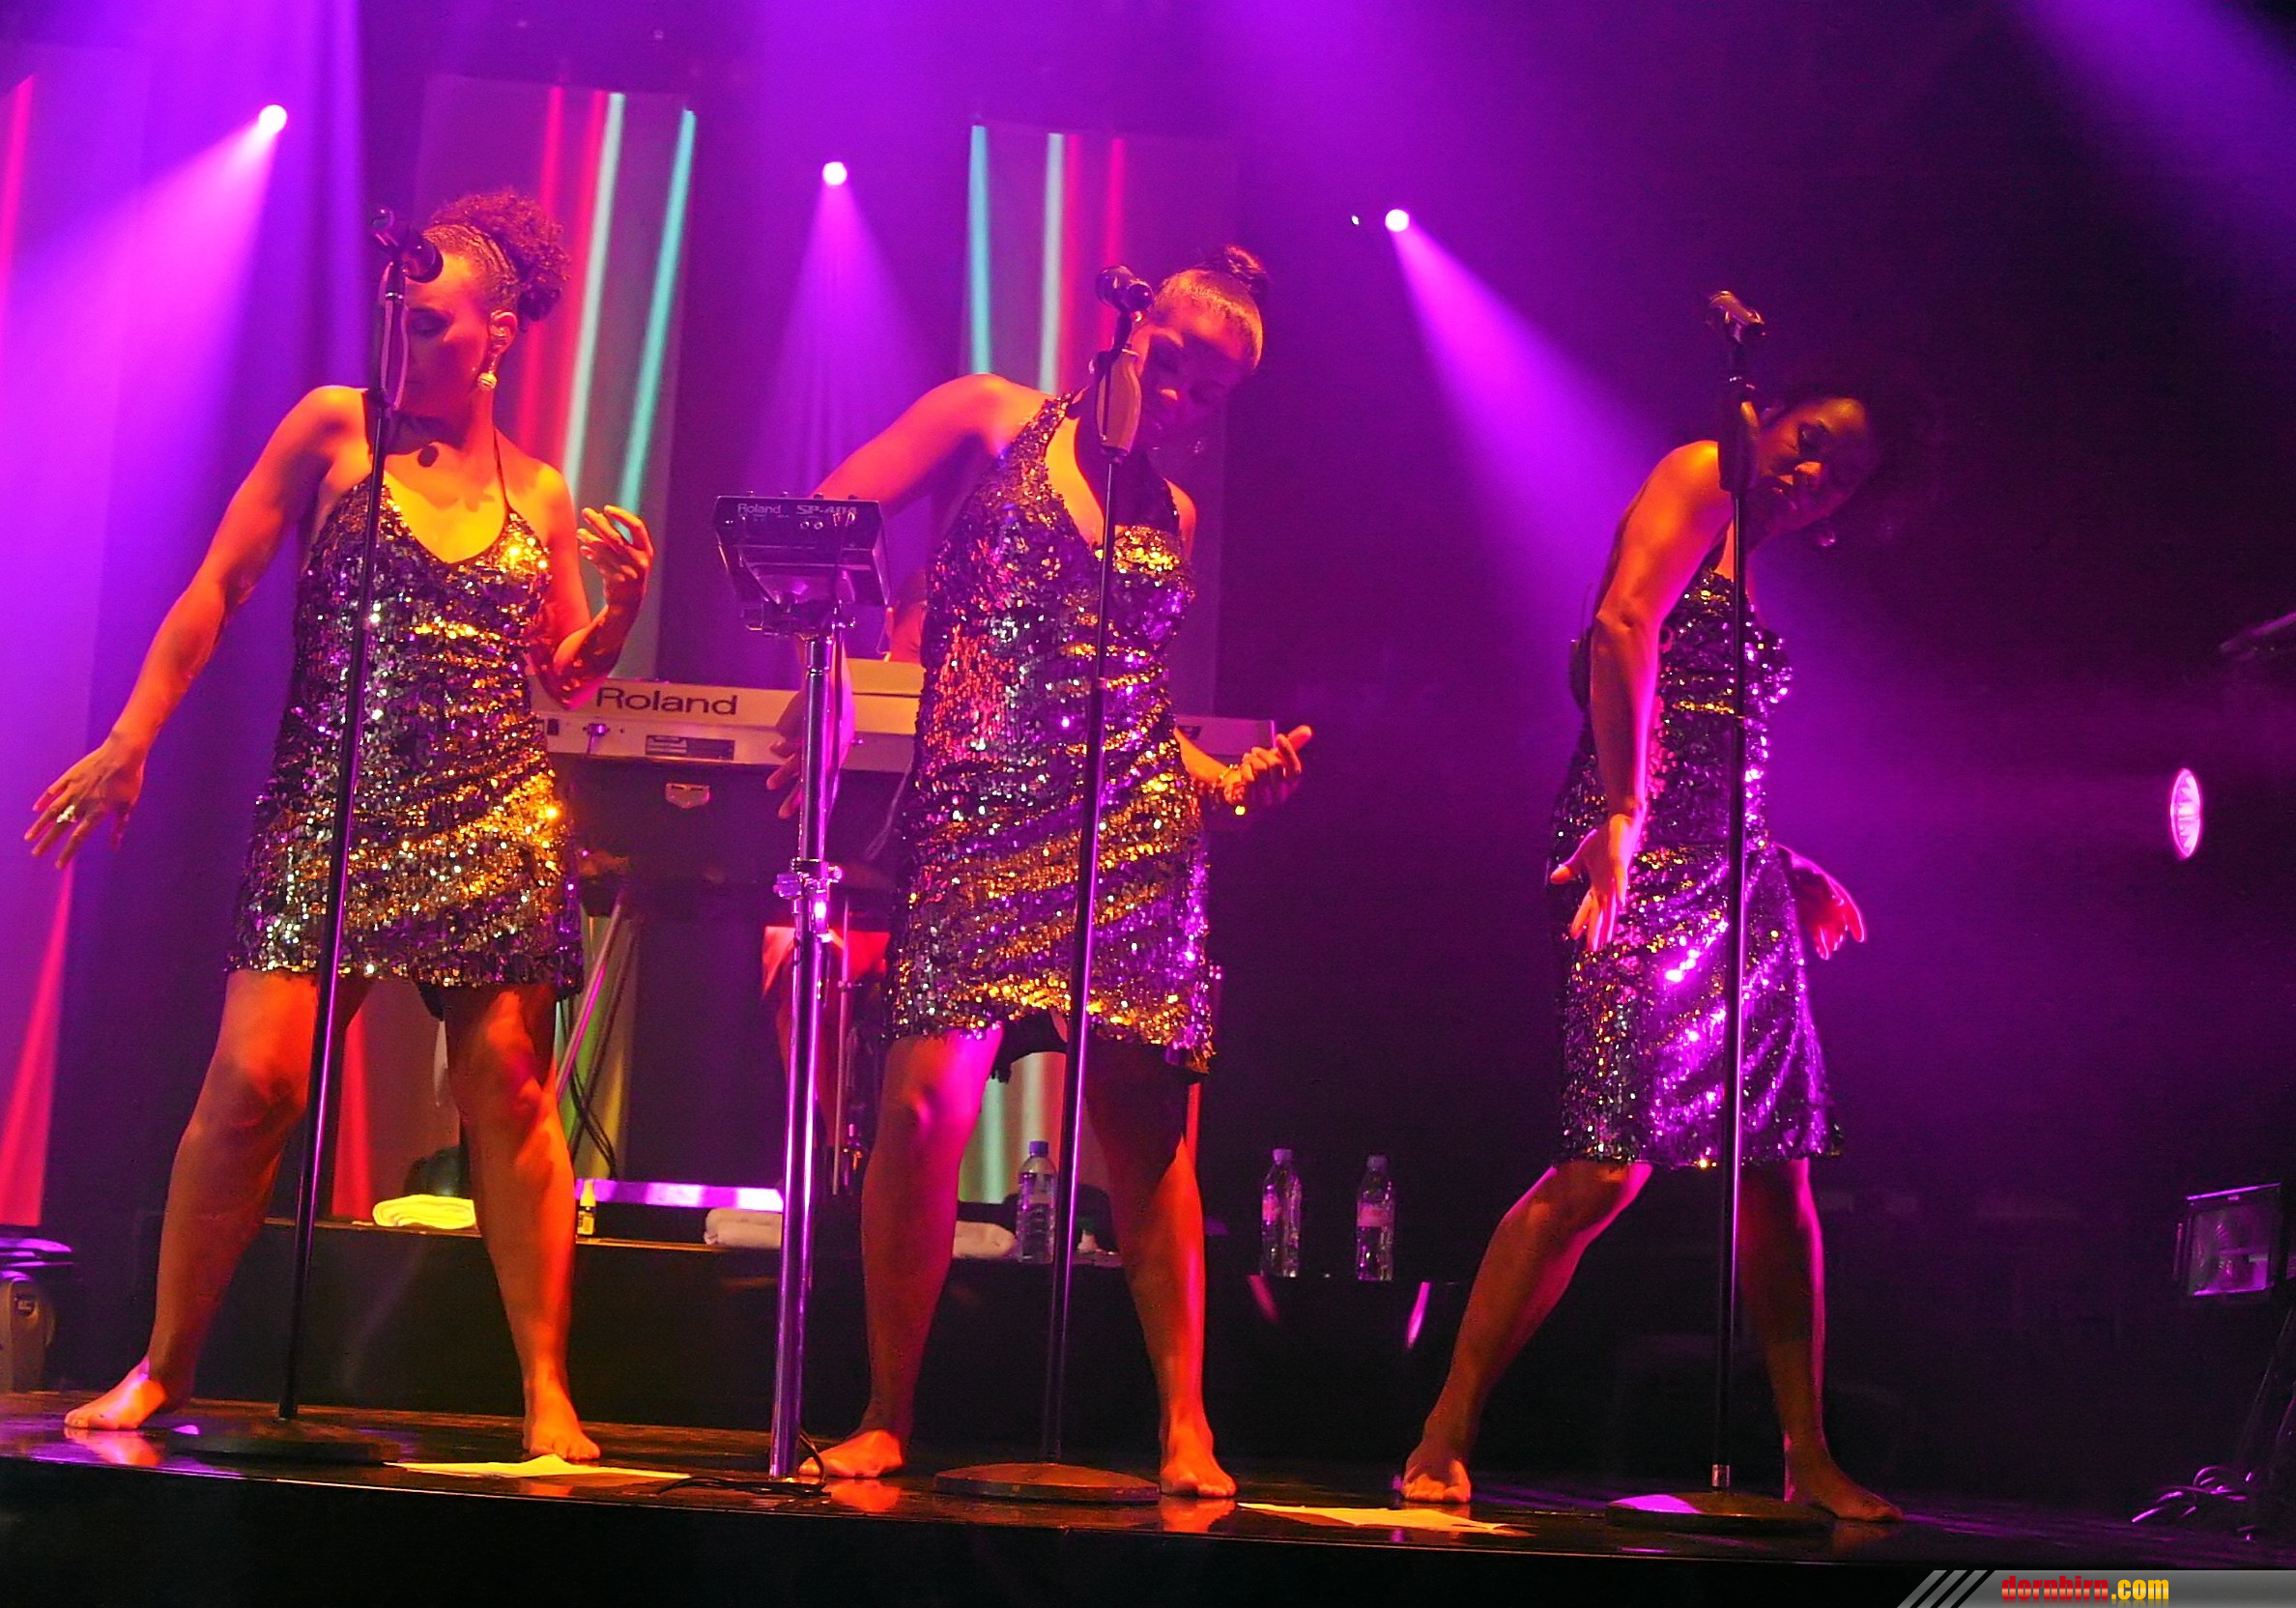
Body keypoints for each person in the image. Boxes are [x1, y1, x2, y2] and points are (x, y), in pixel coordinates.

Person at [29, 191, 654, 1461]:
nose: (402, 343)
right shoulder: (333, 428)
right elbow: (218, 587)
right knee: (253, 1084)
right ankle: (162, 1365)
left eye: (431, 326)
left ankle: (547, 1390)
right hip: (333, 800)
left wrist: (620, 612)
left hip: (492, 811)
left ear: (498, 335)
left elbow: (562, 674)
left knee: (507, 1087)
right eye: (395, 318)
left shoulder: (539, 489)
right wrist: (133, 737)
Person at [795, 247, 1311, 1498]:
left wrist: (1219, 777)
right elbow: (823, 521)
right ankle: (885, 1412)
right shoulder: (991, 414)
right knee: (921, 1110)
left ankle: (1185, 1428)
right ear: (1126, 333)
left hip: (1130, 831)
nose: (1177, 400)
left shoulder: (1172, 518)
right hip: (978, 817)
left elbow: (1127, 701)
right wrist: (835, 675)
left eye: (1207, 394)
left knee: (1145, 1130)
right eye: (1169, 366)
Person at [1400, 376, 1927, 1521]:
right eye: (1809, 441)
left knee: (1777, 1172)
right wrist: (1625, 814)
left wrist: (1778, 859)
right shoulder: (1700, 474)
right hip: (1630, 856)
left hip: (1735, 879)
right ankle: (1445, 1426)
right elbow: (1622, 626)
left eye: (1841, 475)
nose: (1812, 475)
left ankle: (1807, 1456)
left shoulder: (1758, 557)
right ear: (1768, 415)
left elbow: (1716, 740)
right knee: (1603, 1165)